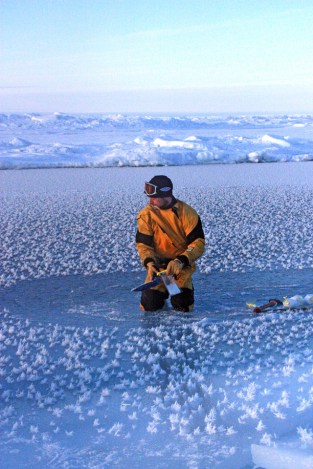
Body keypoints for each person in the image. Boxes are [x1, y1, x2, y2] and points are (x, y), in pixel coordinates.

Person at [135, 175, 205, 312]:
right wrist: (149, 263)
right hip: (158, 269)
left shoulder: (187, 213)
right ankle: (160, 289)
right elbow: (144, 245)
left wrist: (181, 260)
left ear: (166, 195)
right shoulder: (146, 214)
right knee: (150, 306)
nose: (150, 201)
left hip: (179, 268)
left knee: (182, 306)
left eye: (154, 197)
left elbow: (198, 243)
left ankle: (182, 289)